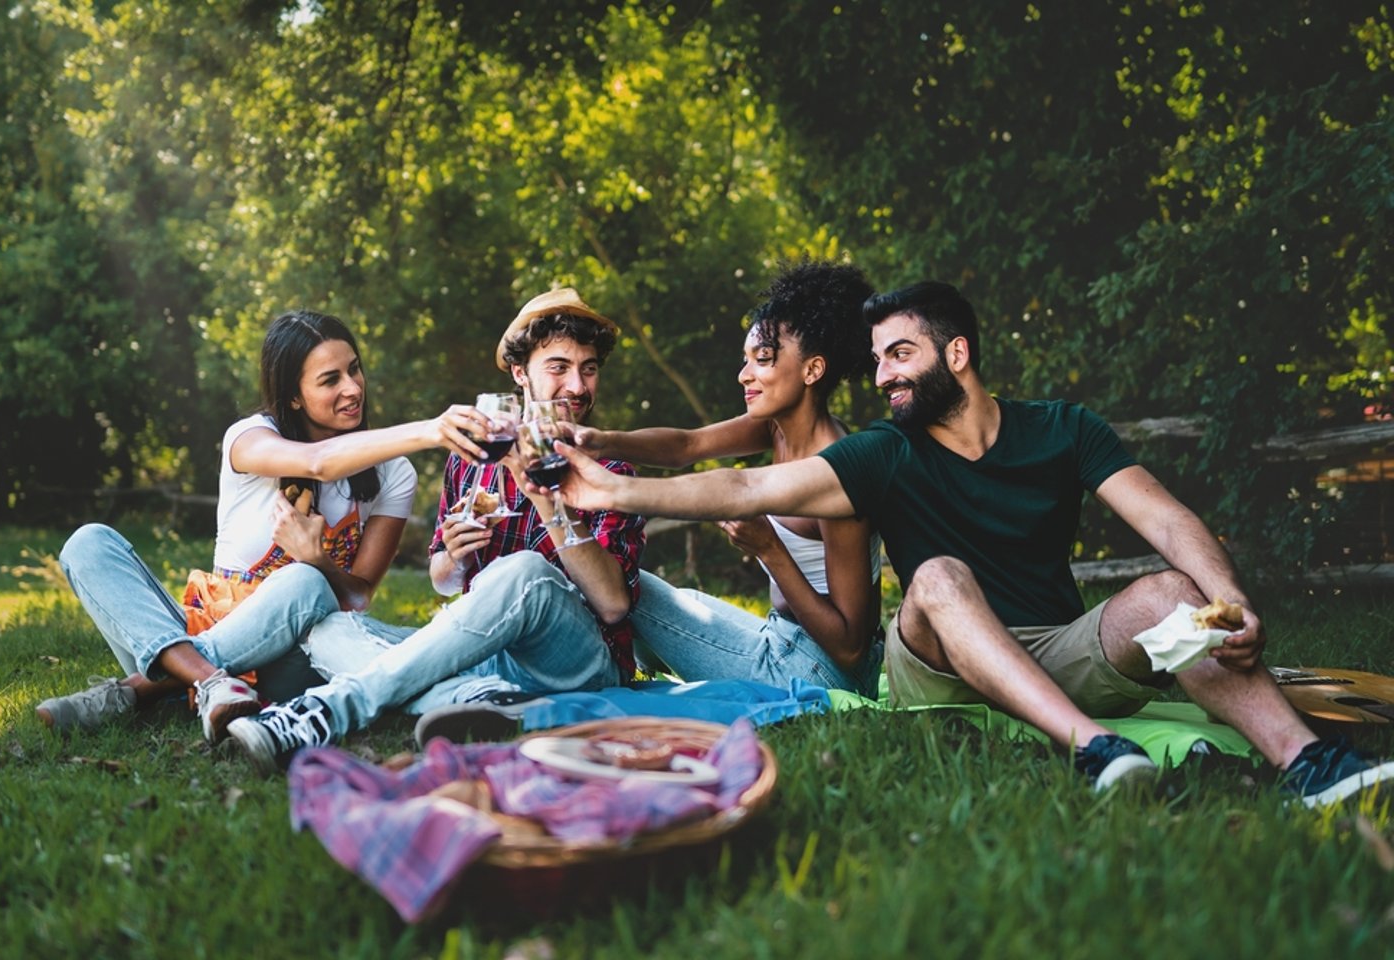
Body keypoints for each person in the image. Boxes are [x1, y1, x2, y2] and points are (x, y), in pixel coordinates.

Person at [547, 280, 1394, 805]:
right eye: (877, 361)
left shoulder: (1063, 429)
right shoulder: (882, 451)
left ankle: (1312, 769)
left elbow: (1167, 517)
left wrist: (1227, 599)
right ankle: (1096, 752)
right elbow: (740, 482)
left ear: (958, 352)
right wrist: (613, 486)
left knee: (1176, 593)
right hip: (935, 663)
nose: (884, 376)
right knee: (942, 574)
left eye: (901, 354)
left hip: (1053, 649)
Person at [226, 288, 646, 775]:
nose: (576, 385)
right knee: (330, 630)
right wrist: (452, 556)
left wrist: (543, 494)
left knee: (525, 569)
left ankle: (328, 710)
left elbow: (613, 604)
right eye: (558, 367)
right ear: (519, 374)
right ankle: (477, 701)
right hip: (487, 662)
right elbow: (442, 580)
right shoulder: (473, 461)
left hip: (581, 663)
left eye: (588, 368)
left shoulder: (612, 468)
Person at [40, 309, 490, 743]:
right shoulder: (250, 438)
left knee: (303, 580)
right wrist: (432, 430)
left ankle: (144, 690)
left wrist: (318, 561)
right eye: (330, 379)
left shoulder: (393, 475)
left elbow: (357, 598)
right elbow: (317, 463)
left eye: (354, 370)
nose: (353, 388)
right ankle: (213, 685)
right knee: (89, 542)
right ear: (294, 396)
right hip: (204, 628)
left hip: (293, 659)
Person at [572, 260, 884, 696]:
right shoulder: (776, 426)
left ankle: (595, 676)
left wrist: (770, 549)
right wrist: (599, 440)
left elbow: (850, 649)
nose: (744, 375)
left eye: (763, 360)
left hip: (822, 670)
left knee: (629, 591)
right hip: (782, 636)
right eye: (746, 360)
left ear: (813, 370)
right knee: (677, 600)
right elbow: (686, 446)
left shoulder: (836, 473)